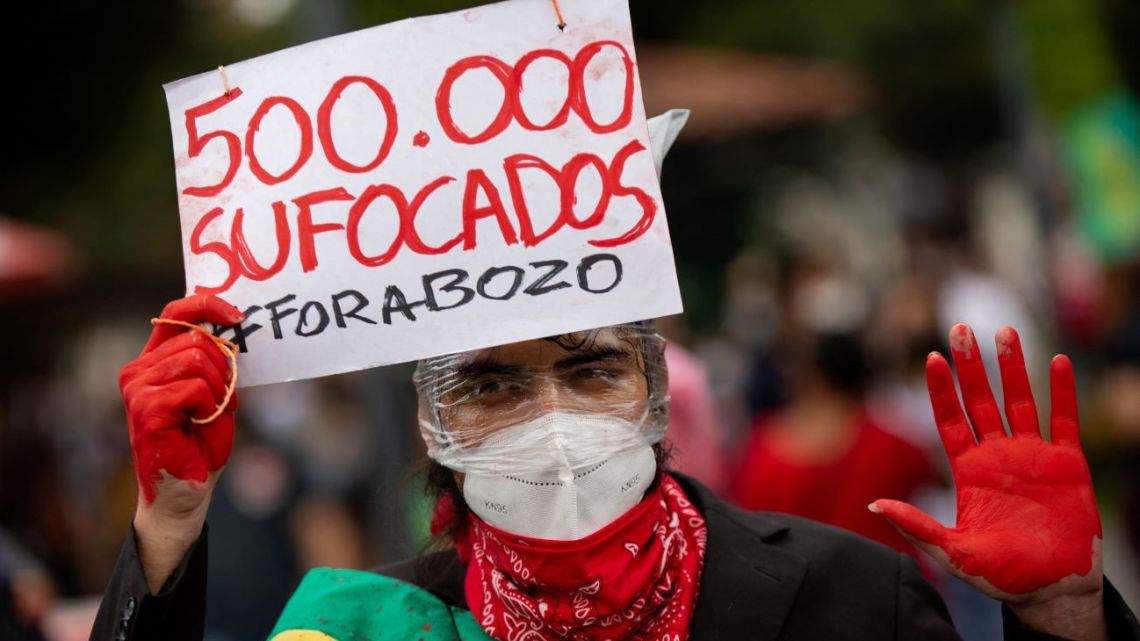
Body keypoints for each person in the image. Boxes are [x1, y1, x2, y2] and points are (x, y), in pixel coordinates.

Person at [88, 294, 1138, 641]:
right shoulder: (369, 626)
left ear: (653, 386)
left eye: (590, 367)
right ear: (432, 423)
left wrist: (1066, 617)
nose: (552, 418)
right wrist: (171, 524)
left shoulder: (851, 592)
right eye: (492, 384)